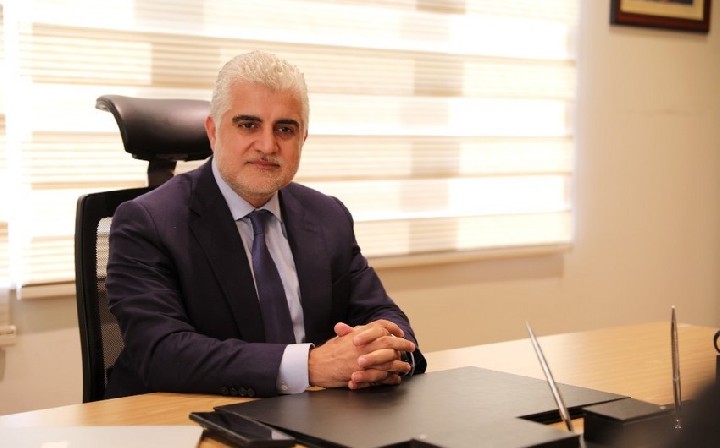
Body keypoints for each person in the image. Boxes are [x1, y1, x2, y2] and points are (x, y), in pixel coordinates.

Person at [104, 50, 426, 399]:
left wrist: (386, 353)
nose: (268, 145)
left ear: (302, 139)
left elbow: (379, 311)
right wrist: (310, 366)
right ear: (213, 132)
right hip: (185, 415)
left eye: (285, 129)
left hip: (314, 412)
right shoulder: (146, 222)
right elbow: (161, 352)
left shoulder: (327, 215)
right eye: (248, 125)